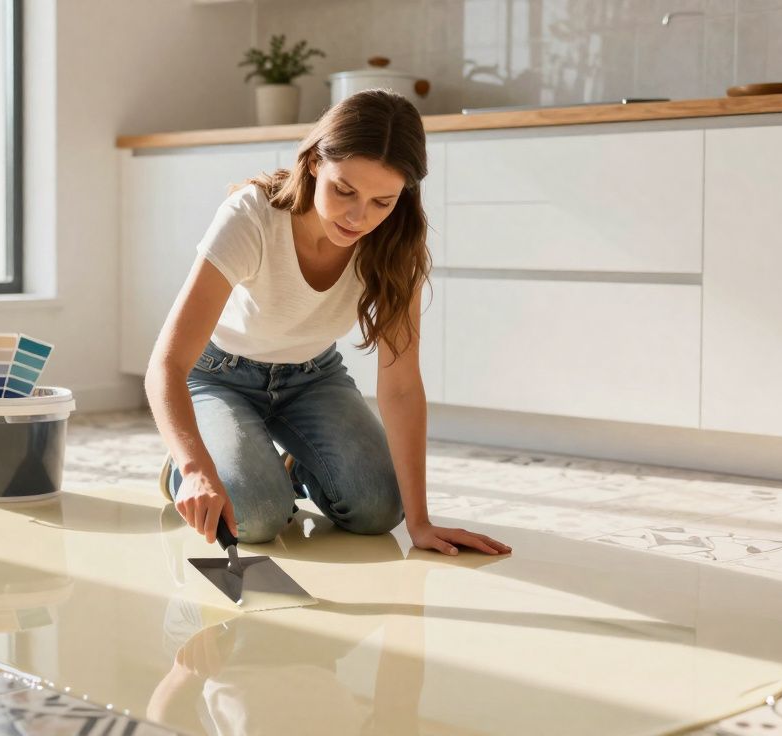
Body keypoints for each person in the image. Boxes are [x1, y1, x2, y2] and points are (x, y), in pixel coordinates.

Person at [143, 89, 511, 557]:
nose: (359, 218)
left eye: (383, 201)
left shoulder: (396, 243)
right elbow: (168, 362)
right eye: (345, 191)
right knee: (256, 516)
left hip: (313, 378)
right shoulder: (252, 217)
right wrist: (195, 467)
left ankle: (288, 464)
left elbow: (400, 386)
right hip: (219, 378)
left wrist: (419, 523)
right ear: (315, 162)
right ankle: (186, 464)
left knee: (379, 511)